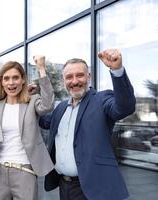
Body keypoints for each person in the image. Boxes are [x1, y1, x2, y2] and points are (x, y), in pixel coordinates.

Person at [39, 49, 136, 200]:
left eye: (80, 75)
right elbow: (43, 121)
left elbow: (125, 107)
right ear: (64, 81)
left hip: (93, 189)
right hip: (65, 187)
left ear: (89, 77)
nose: (75, 81)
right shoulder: (61, 108)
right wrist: (27, 99)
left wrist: (117, 70)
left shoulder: (101, 100)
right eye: (69, 77)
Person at [0, 57, 55, 200]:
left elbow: (48, 104)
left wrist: (41, 69)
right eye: (6, 78)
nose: (11, 83)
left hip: (25, 171)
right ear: (1, 82)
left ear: (23, 80)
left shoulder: (32, 101)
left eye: (15, 78)